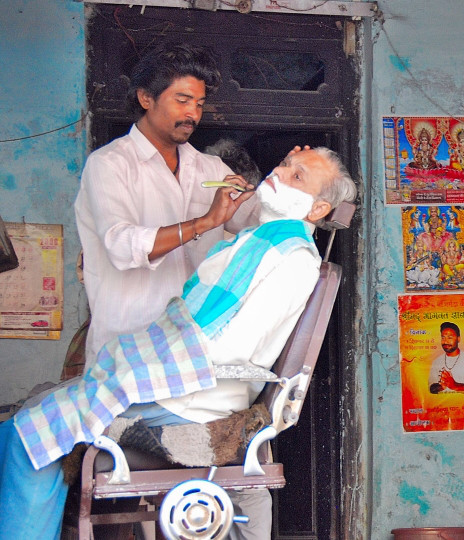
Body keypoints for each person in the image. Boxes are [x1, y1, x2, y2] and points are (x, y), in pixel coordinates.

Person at [0, 146, 357, 540]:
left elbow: (234, 349)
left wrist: (146, 361)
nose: (280, 171)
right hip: (185, 387)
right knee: (26, 422)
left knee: (28, 435)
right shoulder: (260, 242)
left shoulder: (291, 259)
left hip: (193, 396)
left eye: (297, 176)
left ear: (318, 210)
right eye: (285, 164)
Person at [72, 41, 268, 538]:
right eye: (181, 100)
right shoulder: (109, 166)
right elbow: (122, 246)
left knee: (235, 479)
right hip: (128, 362)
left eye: (199, 104)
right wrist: (204, 222)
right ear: (145, 98)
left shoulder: (205, 168)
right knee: (135, 499)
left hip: (190, 361)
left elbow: (253, 217)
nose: (193, 114)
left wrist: (294, 191)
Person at [428, 322, 464, 395]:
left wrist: (455, 386)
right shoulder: (436, 362)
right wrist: (440, 387)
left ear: (458, 339)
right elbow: (430, 388)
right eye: (443, 337)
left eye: (450, 337)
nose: (445, 341)